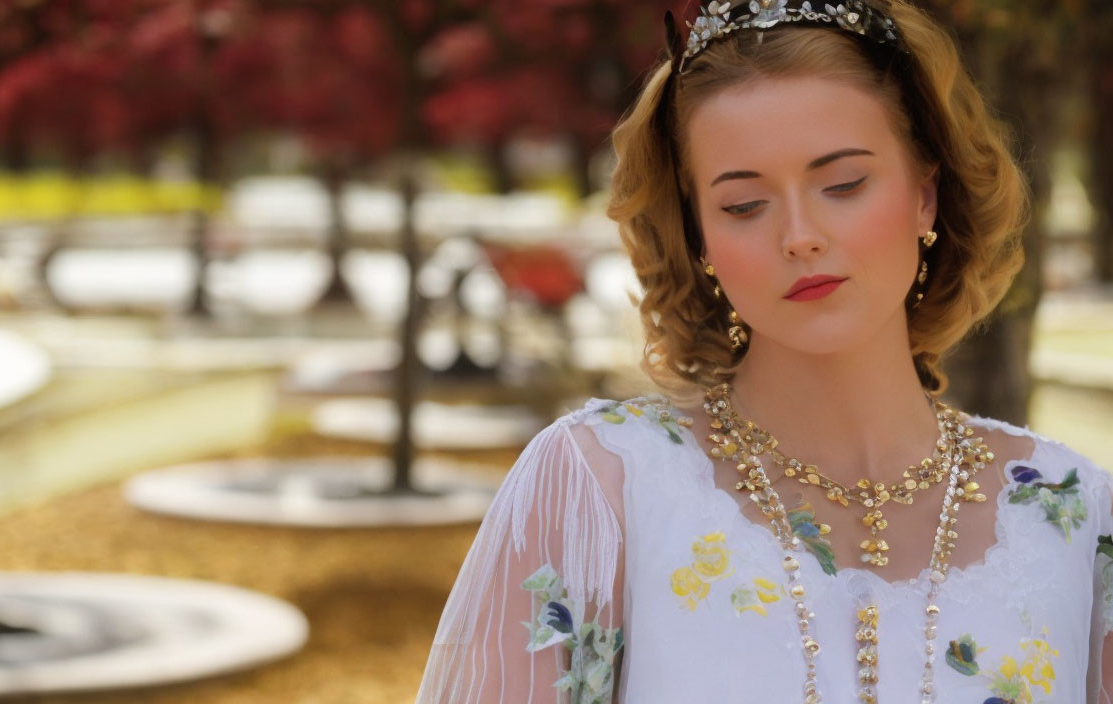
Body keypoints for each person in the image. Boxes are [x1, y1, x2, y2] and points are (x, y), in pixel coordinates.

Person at [414, 0, 1113, 701]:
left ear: (925, 197)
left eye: (843, 184)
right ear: (700, 239)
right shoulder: (600, 489)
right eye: (744, 205)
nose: (799, 235)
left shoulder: (1075, 516)